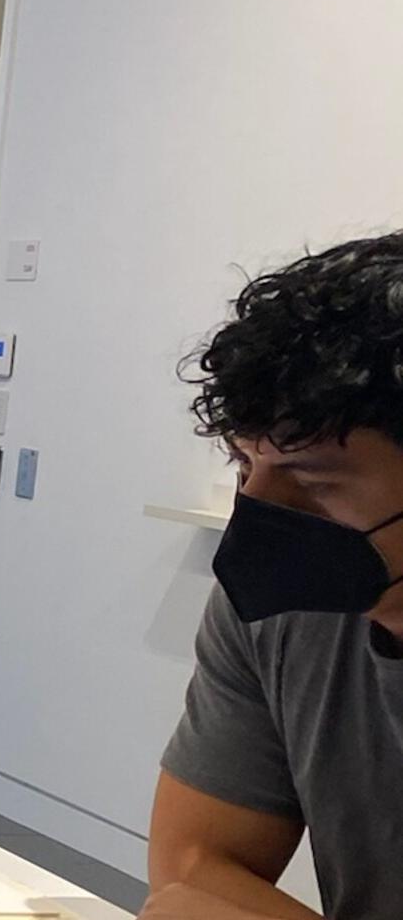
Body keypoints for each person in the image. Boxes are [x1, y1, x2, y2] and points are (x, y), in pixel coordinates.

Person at [144, 231, 403, 920]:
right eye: (243, 465)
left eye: (312, 480)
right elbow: (192, 870)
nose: (258, 516)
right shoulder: (278, 611)